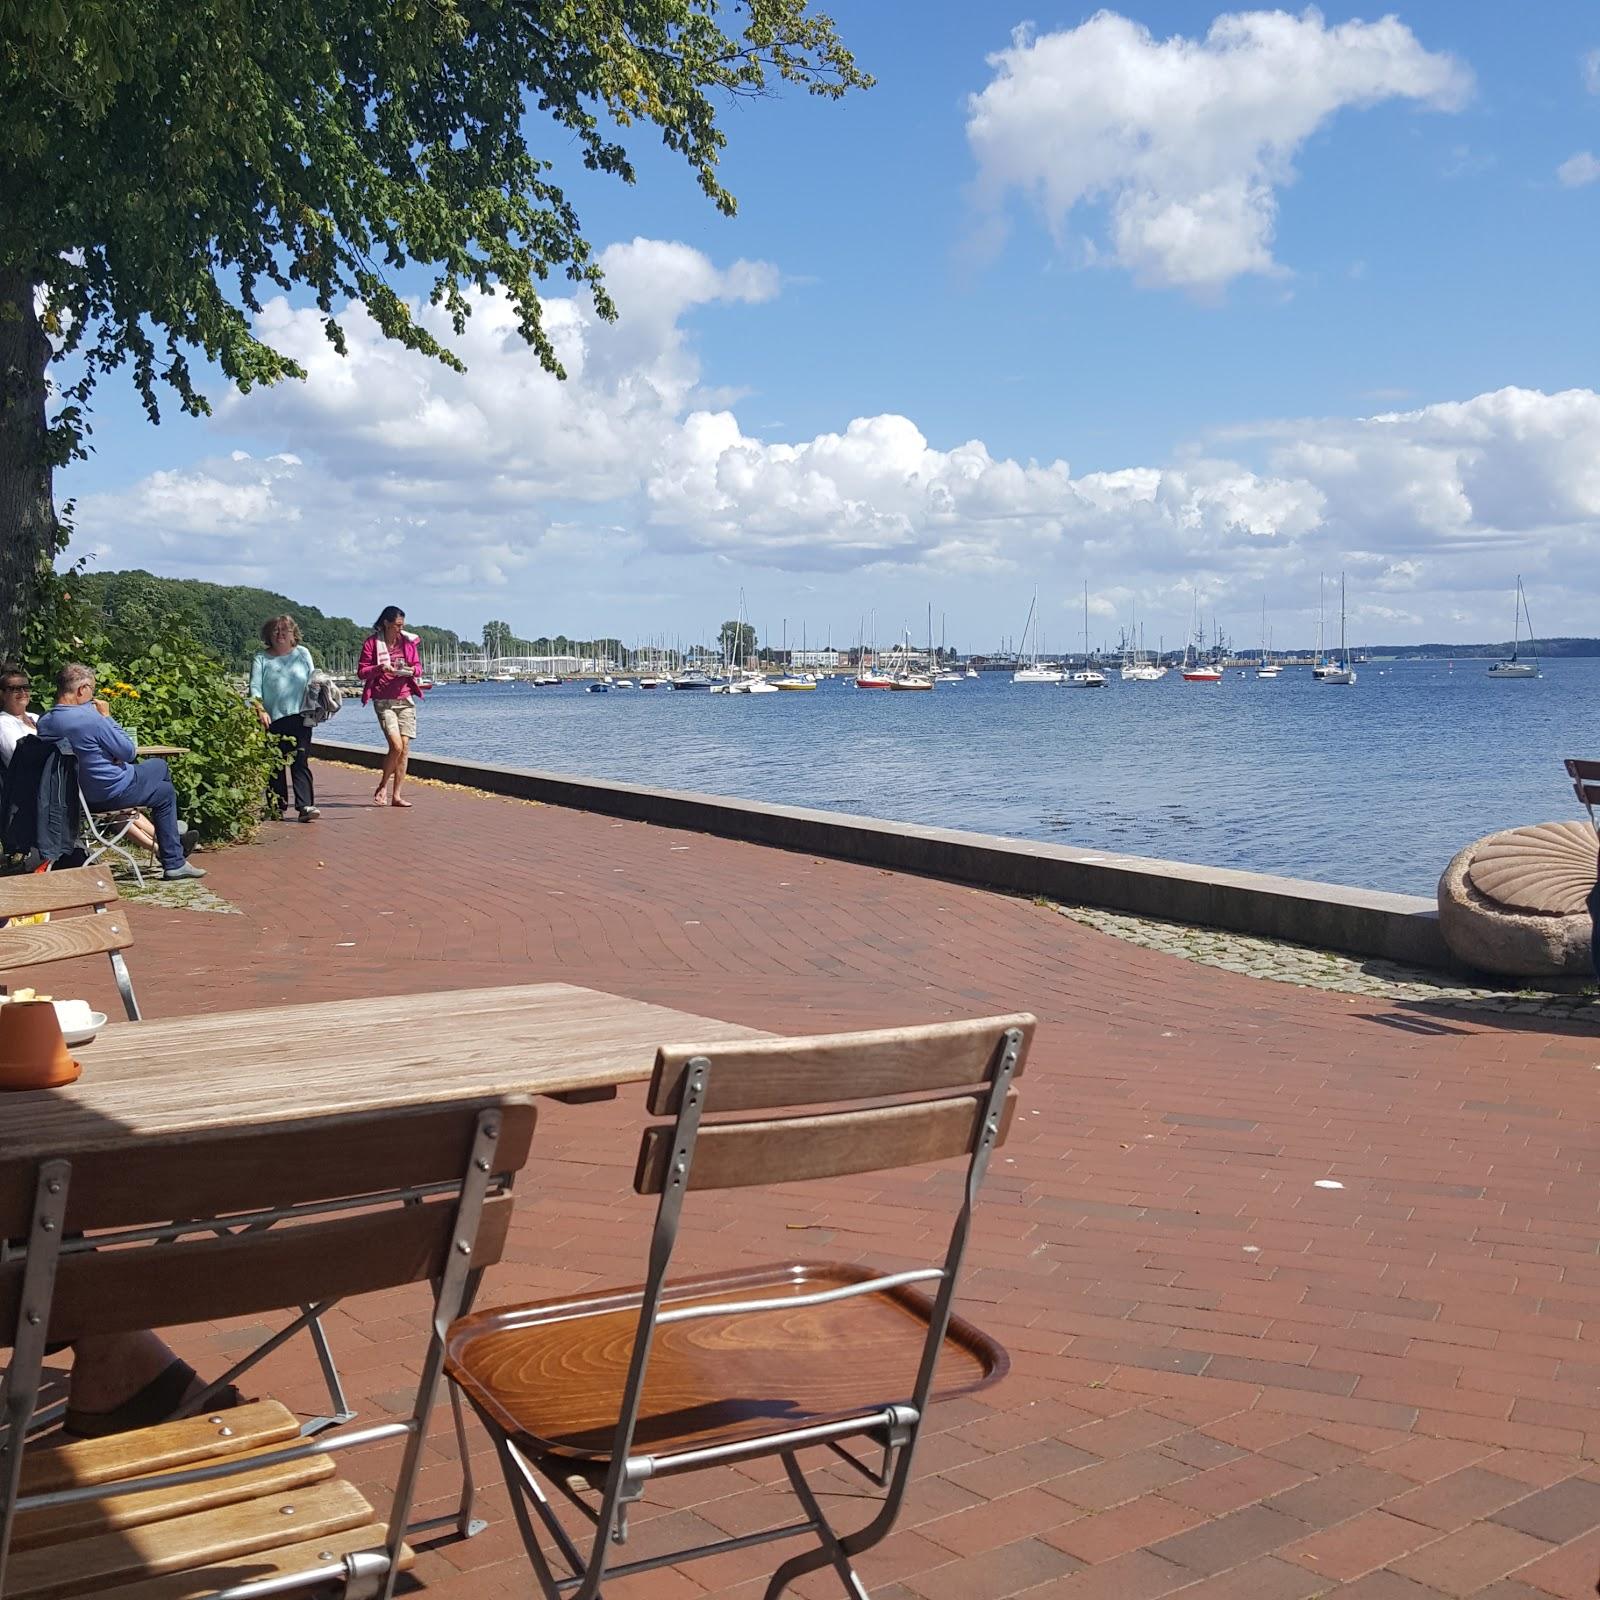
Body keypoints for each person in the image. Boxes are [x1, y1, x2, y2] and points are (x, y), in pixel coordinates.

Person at [36, 663, 205, 881]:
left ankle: (172, 850)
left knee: (162, 789)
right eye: (92, 691)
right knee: (162, 776)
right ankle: (173, 854)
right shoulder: (92, 720)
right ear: (81, 689)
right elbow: (128, 751)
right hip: (110, 792)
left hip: (75, 798)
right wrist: (107, 716)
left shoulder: (45, 722)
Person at [249, 615, 320, 822]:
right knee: (275, 764)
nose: (280, 635)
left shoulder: (302, 653)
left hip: (301, 715)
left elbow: (313, 678)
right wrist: (259, 709)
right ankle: (276, 807)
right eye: (275, 631)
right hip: (273, 718)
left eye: (285, 631)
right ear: (268, 636)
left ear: (293, 635)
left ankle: (305, 805)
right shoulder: (261, 658)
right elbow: (254, 687)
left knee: (300, 760)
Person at [357, 605, 425, 807]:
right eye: (397, 625)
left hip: (405, 699)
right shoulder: (372, 643)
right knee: (395, 745)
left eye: (402, 625)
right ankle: (383, 785)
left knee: (404, 749)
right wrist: (380, 668)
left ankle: (397, 795)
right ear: (386, 623)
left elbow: (418, 667)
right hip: (384, 700)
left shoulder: (407, 642)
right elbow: (362, 672)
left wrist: (411, 670)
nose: (400, 629)